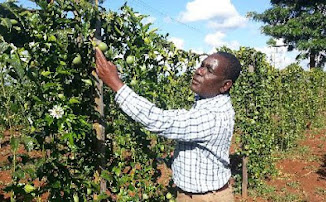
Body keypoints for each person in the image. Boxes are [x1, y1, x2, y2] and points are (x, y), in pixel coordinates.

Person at [95, 48, 241, 202]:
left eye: (209, 70)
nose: (199, 71)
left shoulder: (212, 116)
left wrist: (115, 83)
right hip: (194, 195)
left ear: (225, 86)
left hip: (207, 198)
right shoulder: (208, 104)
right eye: (202, 65)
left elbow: (159, 120)